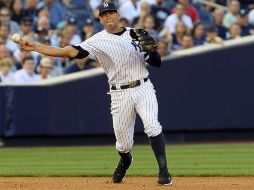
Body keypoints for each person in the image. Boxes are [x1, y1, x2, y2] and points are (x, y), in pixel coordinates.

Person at [14, 2, 172, 185]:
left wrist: (152, 50)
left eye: (111, 12)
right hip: (119, 93)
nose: (108, 16)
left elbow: (157, 63)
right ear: (100, 18)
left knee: (152, 125)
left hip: (143, 86)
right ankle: (125, 159)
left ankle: (164, 172)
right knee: (123, 144)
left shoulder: (136, 34)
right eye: (104, 14)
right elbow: (68, 52)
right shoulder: (96, 40)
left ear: (118, 14)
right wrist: (36, 47)